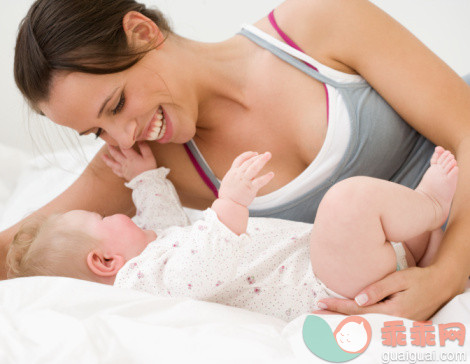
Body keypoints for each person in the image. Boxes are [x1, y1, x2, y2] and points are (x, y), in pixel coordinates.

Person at [3, 0, 470, 320]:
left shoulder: (316, 22)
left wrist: (444, 278)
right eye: (98, 131)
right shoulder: (147, 162)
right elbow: (22, 251)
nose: (121, 137)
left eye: (117, 103)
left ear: (142, 32)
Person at [6, 144, 459, 322]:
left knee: (372, 225)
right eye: (104, 221)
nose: (117, 217)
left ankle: (426, 239)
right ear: (105, 262)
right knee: (347, 203)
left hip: (349, 271)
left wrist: (145, 180)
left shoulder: (157, 253)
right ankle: (433, 206)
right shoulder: (144, 283)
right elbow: (202, 265)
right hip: (325, 285)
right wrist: (230, 203)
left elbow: (165, 221)